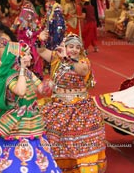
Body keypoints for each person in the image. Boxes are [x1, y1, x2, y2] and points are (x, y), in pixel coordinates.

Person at [0, 41, 60, 172]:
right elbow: (20, 91)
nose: (31, 58)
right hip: (16, 119)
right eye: (27, 55)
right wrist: (21, 69)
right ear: (18, 58)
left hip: (32, 116)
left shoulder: (28, 73)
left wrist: (52, 81)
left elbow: (41, 89)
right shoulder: (9, 75)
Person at [37, 32, 106, 173]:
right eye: (71, 46)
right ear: (65, 46)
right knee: (52, 132)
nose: (74, 50)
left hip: (80, 106)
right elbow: (41, 51)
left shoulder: (83, 61)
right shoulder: (57, 57)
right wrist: (41, 40)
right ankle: (59, 165)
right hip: (59, 104)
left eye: (77, 47)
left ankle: (83, 166)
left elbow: (82, 71)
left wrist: (68, 58)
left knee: (80, 137)